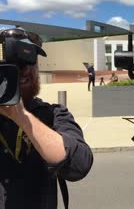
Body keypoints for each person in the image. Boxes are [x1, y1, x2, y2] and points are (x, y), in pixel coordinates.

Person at [0, 28, 93, 208]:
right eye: (13, 63)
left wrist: (21, 115)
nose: (24, 70)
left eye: (30, 61)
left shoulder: (53, 114)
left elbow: (79, 166)